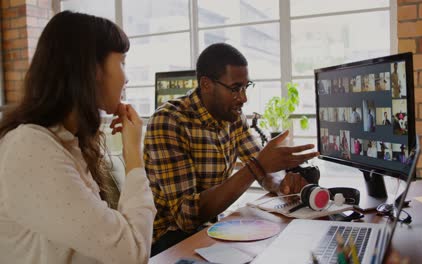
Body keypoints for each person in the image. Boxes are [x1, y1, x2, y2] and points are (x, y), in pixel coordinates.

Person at [0, 11, 156, 264]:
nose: (126, 78)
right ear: (93, 69)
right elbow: (132, 253)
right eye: (122, 62)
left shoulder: (65, 142)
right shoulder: (30, 147)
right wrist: (134, 157)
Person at [144, 43, 319, 256]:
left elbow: (262, 168)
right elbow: (186, 216)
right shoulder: (170, 121)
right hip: (166, 241)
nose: (243, 98)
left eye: (246, 87)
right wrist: (258, 166)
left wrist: (281, 184)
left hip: (208, 229)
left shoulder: (232, 116)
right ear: (206, 84)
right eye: (235, 88)